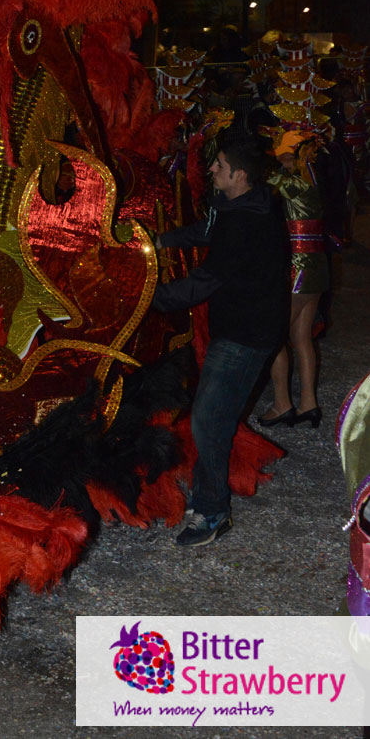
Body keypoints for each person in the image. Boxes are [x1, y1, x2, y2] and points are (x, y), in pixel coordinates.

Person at [152, 136, 289, 547]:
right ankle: (208, 498)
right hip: (240, 326)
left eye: (221, 165)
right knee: (212, 416)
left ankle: (212, 511)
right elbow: (207, 230)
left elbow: (205, 281)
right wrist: (161, 241)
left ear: (240, 175)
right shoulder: (242, 204)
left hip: (247, 333)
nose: (212, 169)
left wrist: (148, 298)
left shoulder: (247, 221)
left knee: (209, 419)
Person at [258, 130, 329, 429]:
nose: (280, 157)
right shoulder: (314, 181)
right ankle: (309, 404)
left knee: (275, 335)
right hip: (318, 267)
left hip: (299, 269)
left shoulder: (295, 183)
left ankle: (282, 404)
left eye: (285, 152)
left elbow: (258, 176)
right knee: (301, 338)